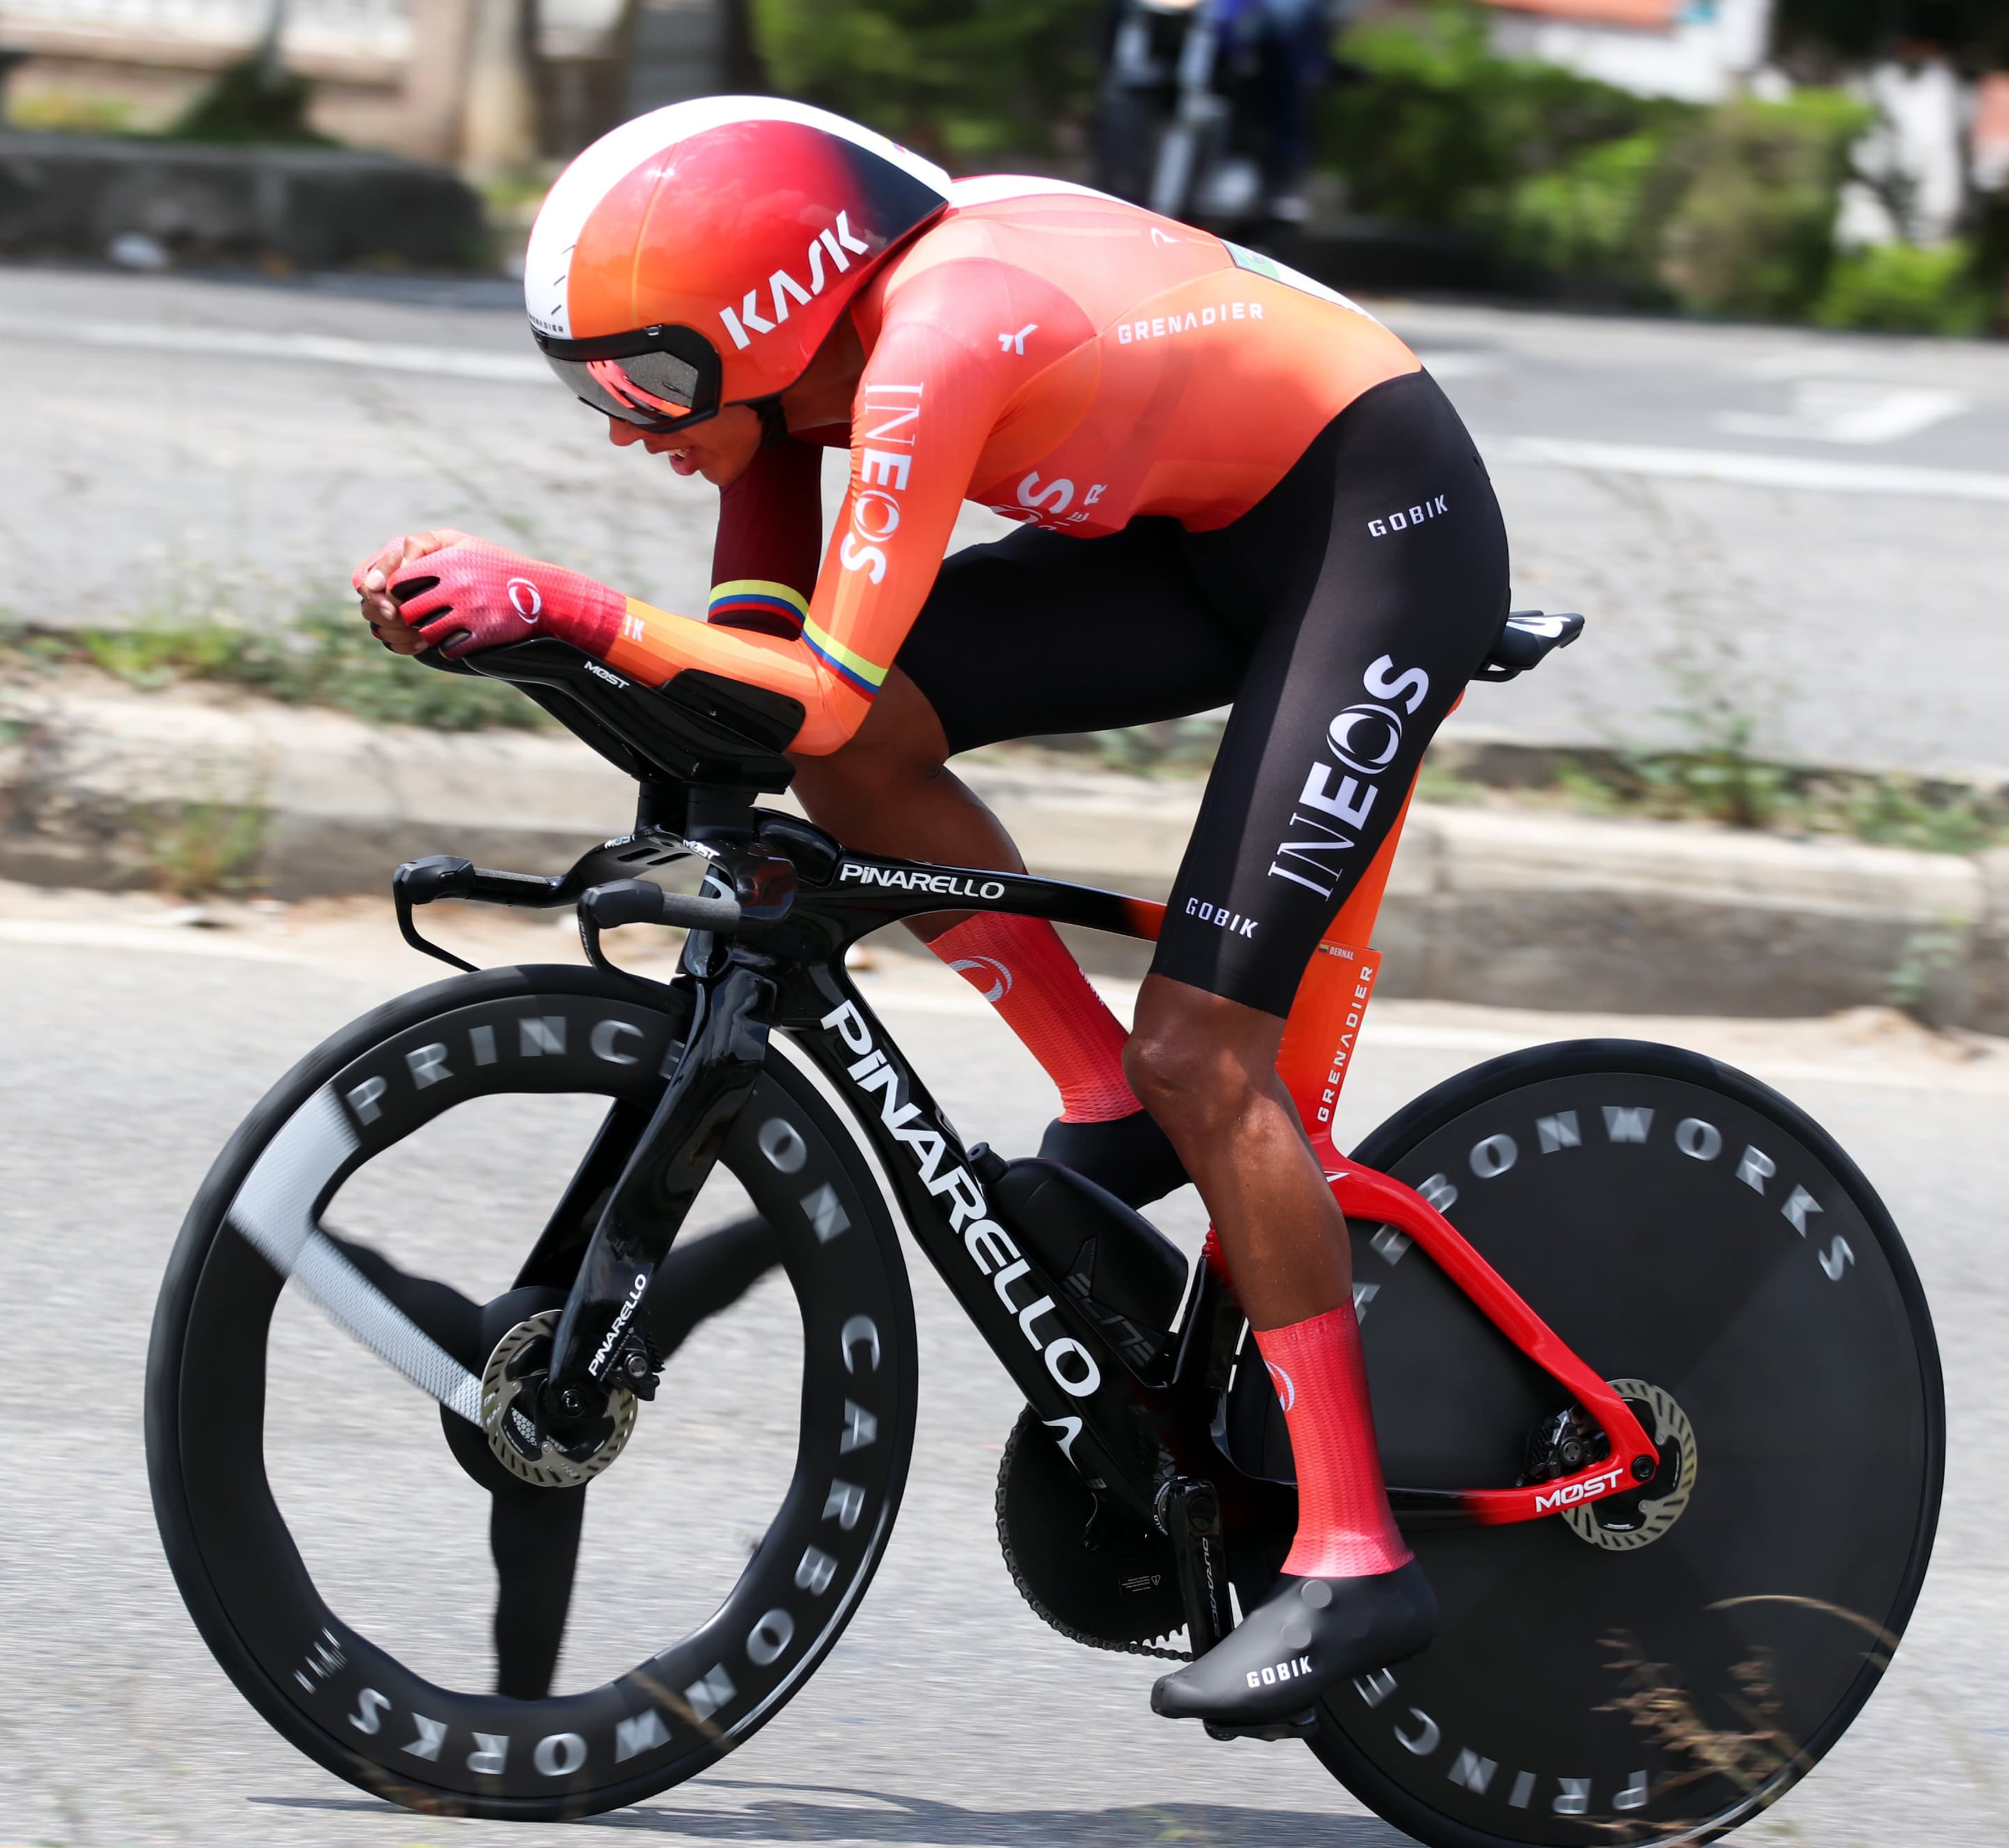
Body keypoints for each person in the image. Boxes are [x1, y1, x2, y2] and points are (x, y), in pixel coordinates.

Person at [352, 96, 1509, 1727]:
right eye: (587, 384)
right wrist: (555, 644)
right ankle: (1102, 1097)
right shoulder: (794, 381)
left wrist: (570, 606)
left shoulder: (934, 342)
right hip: (1204, 530)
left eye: (646, 378)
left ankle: (1353, 1552)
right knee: (883, 755)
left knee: (1211, 1053)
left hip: (1376, 534)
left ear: (769, 311)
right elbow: (776, 667)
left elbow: (808, 689)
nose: (624, 424)